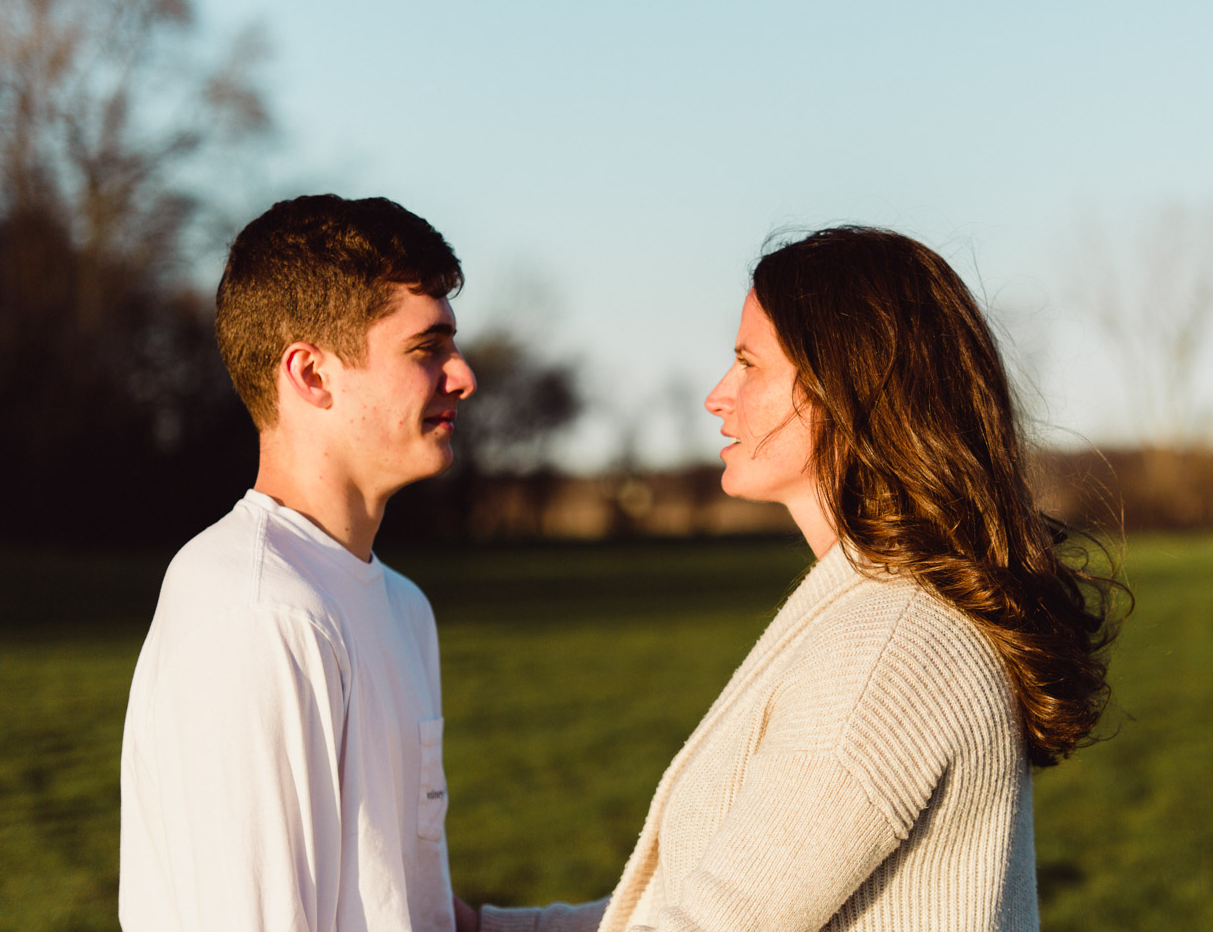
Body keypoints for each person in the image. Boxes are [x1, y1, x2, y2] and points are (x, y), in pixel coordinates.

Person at [479, 225, 1125, 932]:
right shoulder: (872, 608)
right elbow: (710, 898)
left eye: (748, 365)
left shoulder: (889, 649)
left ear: (844, 389)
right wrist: (496, 929)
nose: (718, 397)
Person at [119, 194, 483, 931]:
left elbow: (417, 916)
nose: (463, 375)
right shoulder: (258, 613)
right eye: (427, 348)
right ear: (311, 374)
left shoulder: (402, 607)